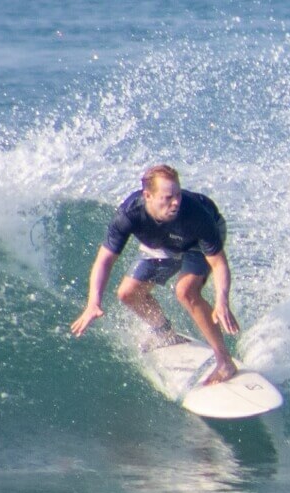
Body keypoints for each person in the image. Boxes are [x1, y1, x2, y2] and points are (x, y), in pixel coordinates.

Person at [70, 164, 240, 385]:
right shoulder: (130, 214)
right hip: (163, 241)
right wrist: (93, 302)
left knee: (185, 291)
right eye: (168, 197)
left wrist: (221, 301)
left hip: (197, 240)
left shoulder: (196, 214)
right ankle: (165, 333)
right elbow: (104, 259)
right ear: (148, 196)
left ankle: (225, 361)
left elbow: (218, 263)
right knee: (128, 294)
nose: (176, 202)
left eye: (178, 194)